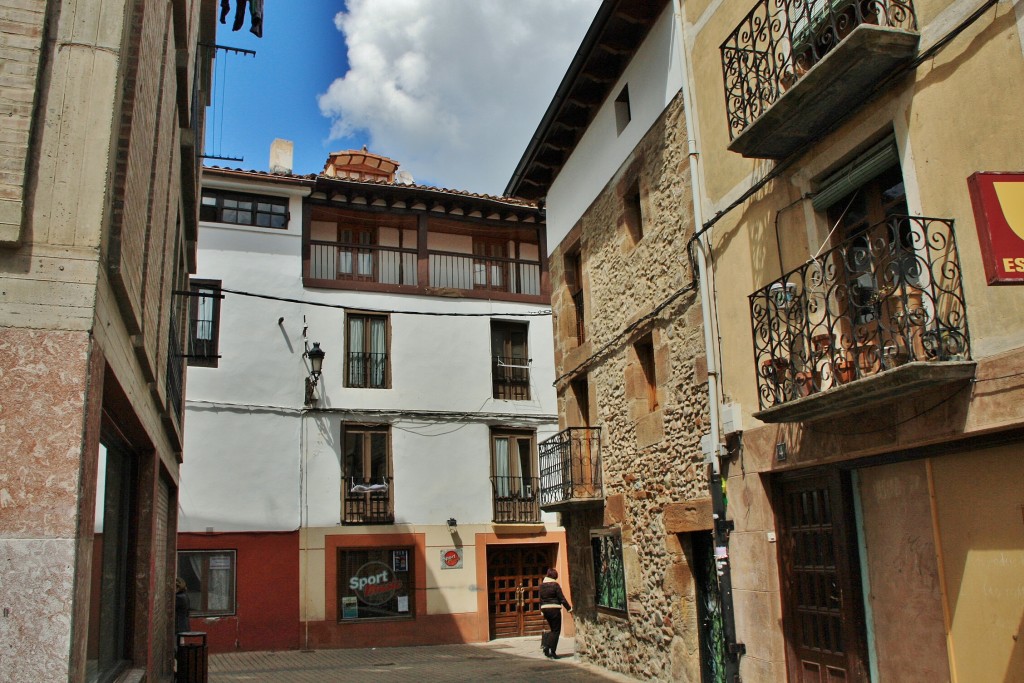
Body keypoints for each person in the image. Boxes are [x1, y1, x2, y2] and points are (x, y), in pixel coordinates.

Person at [539, 568, 571, 659]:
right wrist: (569, 609)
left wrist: (541, 610)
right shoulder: (555, 585)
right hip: (554, 609)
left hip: (545, 609)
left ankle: (546, 646)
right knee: (556, 630)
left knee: (552, 629)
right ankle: (552, 650)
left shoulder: (541, 586)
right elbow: (562, 599)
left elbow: (540, 599)